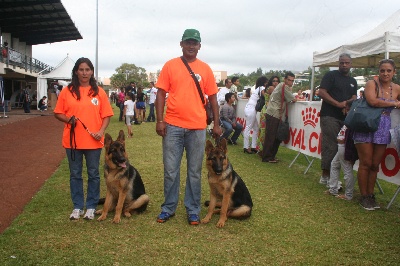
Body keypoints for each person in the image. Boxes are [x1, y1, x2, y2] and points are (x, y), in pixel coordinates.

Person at [155, 28, 221, 225]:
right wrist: (160, 120)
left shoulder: (206, 69)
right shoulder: (170, 66)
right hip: (173, 126)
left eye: (195, 43)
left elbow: (213, 98)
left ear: (199, 46)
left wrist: (217, 124)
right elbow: (160, 94)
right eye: (188, 42)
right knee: (170, 170)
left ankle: (193, 209)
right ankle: (168, 208)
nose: (191, 46)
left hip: (197, 127)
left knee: (194, 171)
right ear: (181, 44)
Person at [54, 57, 113, 220]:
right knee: (75, 174)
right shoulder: (67, 91)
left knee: (93, 173)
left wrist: (101, 131)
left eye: (88, 69)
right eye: (81, 69)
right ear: (76, 71)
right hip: (72, 141)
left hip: (93, 142)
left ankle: (91, 206)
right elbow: (58, 112)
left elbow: (106, 115)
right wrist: (68, 120)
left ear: (92, 72)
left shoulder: (99, 91)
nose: (84, 73)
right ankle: (78, 206)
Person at [353, 59, 400, 210]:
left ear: (394, 72)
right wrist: (394, 103)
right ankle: (364, 196)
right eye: (382, 70)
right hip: (366, 124)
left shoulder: (397, 88)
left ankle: (371, 195)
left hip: (383, 126)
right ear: (378, 71)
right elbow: (372, 101)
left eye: (388, 71)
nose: (385, 73)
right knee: (365, 163)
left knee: (374, 164)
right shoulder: (371, 84)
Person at [318, 53, 357, 185]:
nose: (344, 65)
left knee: (343, 148)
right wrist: (338, 104)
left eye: (347, 62)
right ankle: (325, 176)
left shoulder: (353, 81)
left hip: (345, 119)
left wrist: (347, 104)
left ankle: (335, 178)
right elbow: (321, 92)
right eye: (342, 62)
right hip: (329, 115)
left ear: (351, 64)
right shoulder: (331, 76)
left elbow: (354, 97)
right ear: (338, 63)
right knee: (331, 146)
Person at [261, 72, 297, 163]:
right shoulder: (283, 87)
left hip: (274, 113)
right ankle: (267, 157)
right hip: (274, 113)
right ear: (285, 79)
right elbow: (293, 99)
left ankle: (270, 156)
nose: (291, 82)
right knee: (271, 136)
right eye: (289, 80)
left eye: (292, 80)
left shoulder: (282, 86)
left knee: (274, 137)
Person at [325, 124, 357, 200]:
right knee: (335, 164)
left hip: (345, 145)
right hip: (342, 144)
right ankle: (333, 189)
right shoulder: (351, 117)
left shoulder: (354, 116)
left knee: (347, 168)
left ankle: (348, 195)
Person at [243, 76, 268, 154]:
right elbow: (265, 96)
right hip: (251, 109)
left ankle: (253, 146)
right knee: (248, 128)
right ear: (264, 82)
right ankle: (246, 147)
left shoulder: (258, 88)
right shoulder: (262, 88)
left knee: (256, 128)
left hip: (250, 108)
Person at [257, 76, 280, 155]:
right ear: (271, 81)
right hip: (268, 110)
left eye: (277, 81)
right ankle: (263, 150)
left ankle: (262, 150)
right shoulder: (271, 88)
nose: (275, 82)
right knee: (265, 131)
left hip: (266, 110)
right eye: (273, 81)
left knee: (264, 131)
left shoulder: (267, 88)